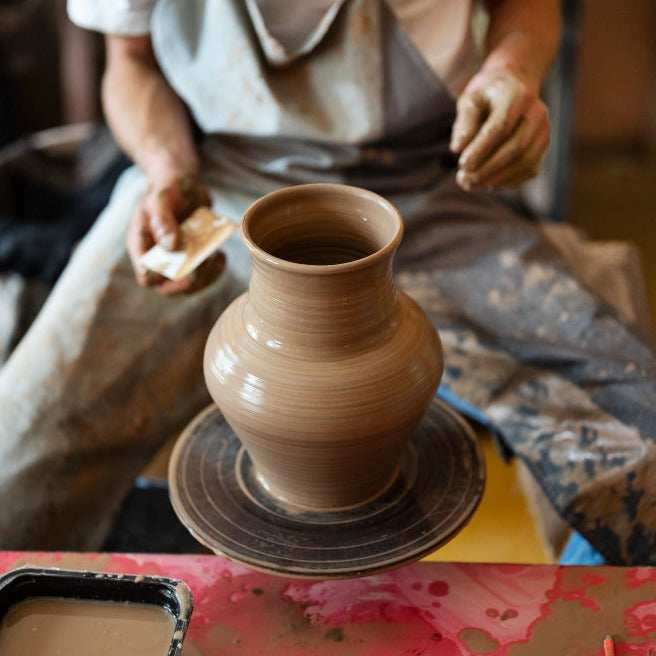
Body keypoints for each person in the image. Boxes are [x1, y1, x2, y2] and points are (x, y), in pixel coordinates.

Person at [0, 0, 654, 565]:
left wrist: (510, 70)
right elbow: (130, 62)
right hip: (215, 186)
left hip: (424, 191)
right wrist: (166, 168)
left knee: (639, 469)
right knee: (19, 456)